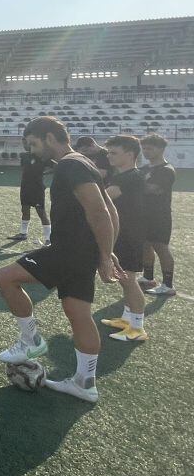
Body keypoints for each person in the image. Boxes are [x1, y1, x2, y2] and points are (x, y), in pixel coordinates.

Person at [0, 116, 120, 403]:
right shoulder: (84, 162)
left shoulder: (69, 165)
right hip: (83, 253)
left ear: (49, 137)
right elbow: (111, 210)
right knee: (78, 313)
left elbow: (99, 211)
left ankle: (31, 340)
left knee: (4, 277)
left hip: (69, 250)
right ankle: (85, 383)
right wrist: (106, 250)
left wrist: (105, 255)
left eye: (34, 144)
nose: (32, 151)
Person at [98, 135, 148, 342]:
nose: (109, 156)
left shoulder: (128, 177)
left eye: (114, 153)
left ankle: (137, 328)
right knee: (124, 278)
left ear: (130, 154)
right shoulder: (126, 175)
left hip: (129, 236)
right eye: (108, 152)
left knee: (128, 280)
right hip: (124, 234)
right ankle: (127, 319)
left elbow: (101, 200)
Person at [138, 134, 177, 296]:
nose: (145, 151)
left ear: (161, 149)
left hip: (159, 216)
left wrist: (134, 185)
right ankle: (148, 278)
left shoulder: (166, 170)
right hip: (144, 215)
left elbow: (151, 189)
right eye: (144, 148)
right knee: (145, 245)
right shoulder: (144, 169)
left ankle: (168, 285)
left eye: (150, 148)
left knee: (161, 247)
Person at [11, 145, 53, 243]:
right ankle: (23, 233)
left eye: (26, 142)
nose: (25, 144)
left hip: (37, 188)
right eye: (23, 143)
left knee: (41, 212)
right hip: (25, 187)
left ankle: (48, 238)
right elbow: (24, 169)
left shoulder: (43, 156)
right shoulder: (24, 156)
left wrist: (43, 173)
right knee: (25, 210)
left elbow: (55, 167)